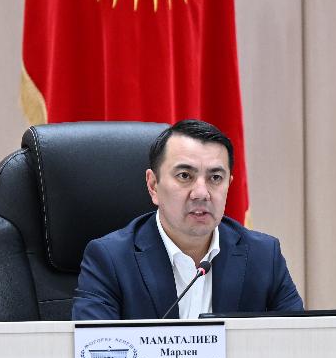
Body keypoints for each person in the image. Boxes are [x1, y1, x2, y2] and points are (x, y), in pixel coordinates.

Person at [73, 119, 303, 320]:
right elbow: (96, 349)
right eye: (185, 176)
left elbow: (298, 342)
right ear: (153, 185)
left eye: (215, 177)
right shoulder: (110, 260)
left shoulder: (263, 256)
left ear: (228, 185)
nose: (201, 193)